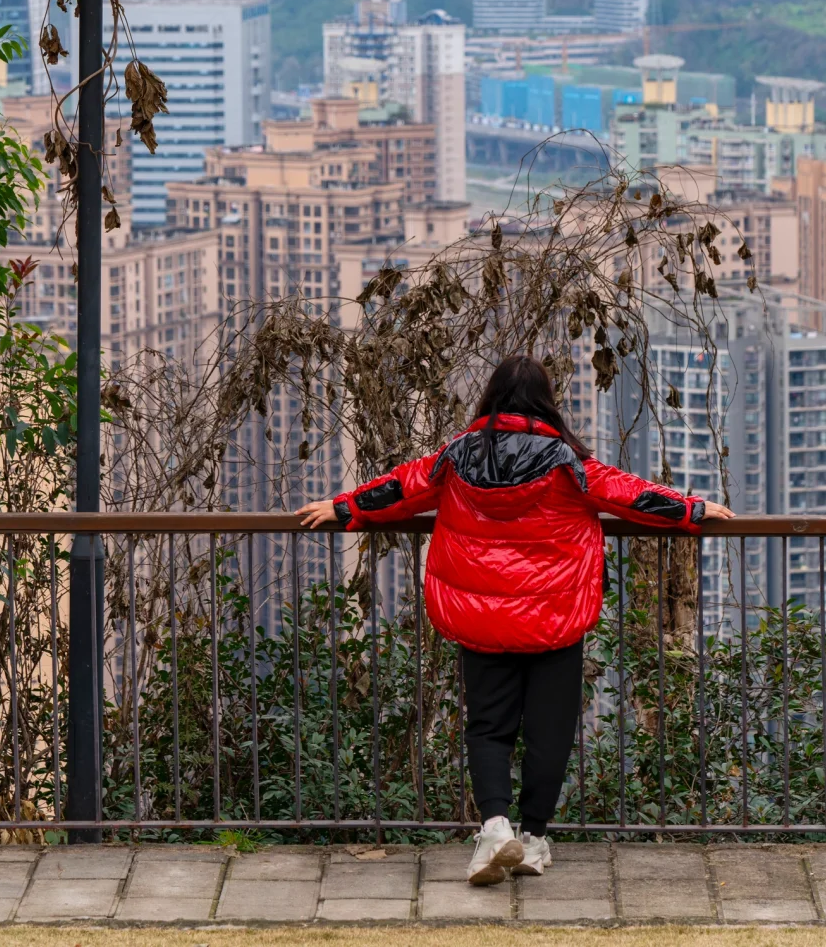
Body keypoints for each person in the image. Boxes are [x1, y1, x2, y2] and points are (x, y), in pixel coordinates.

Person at [298, 353, 732, 885]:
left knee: (488, 728)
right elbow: (629, 495)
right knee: (549, 733)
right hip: (552, 617)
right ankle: (532, 839)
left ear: (492, 399)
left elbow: (401, 489)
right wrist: (690, 509)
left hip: (481, 618)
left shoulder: (456, 457)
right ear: (546, 402)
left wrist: (344, 508)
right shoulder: (568, 461)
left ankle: (495, 830)